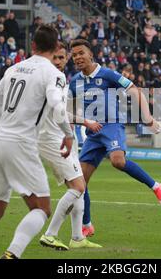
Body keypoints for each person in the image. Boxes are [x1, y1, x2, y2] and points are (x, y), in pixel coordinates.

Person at [0, 25, 73, 259]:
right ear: (56, 46)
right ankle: (12, 255)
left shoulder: (13, 69)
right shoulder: (53, 74)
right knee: (42, 209)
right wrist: (68, 134)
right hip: (21, 142)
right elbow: (57, 105)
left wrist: (10, 123)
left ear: (34, 46)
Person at [68, 39, 161, 238]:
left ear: (91, 55)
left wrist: (147, 118)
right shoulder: (74, 82)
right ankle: (87, 224)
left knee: (117, 161)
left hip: (112, 125)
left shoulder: (107, 74)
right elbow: (69, 110)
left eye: (81, 53)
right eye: (74, 55)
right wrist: (70, 131)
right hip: (92, 133)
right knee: (81, 182)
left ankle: (155, 186)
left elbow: (134, 90)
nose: (78, 57)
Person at [38, 42, 101, 250]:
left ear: (66, 59)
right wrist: (85, 122)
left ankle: (77, 237)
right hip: (53, 140)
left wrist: (77, 121)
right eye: (54, 58)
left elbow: (63, 112)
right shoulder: (49, 79)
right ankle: (50, 234)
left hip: (65, 138)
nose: (58, 61)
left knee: (79, 187)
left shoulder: (62, 81)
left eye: (61, 58)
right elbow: (58, 113)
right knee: (78, 187)